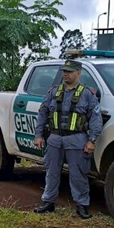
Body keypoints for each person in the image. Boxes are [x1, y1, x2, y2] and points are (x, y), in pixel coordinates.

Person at [33, 59, 103, 219]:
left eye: (69, 71)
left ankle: (82, 205)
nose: (65, 74)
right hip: (55, 139)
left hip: (77, 139)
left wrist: (92, 140)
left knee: (78, 174)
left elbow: (95, 118)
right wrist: (38, 135)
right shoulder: (53, 92)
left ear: (78, 73)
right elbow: (42, 114)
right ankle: (48, 202)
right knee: (51, 172)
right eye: (64, 71)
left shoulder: (87, 94)